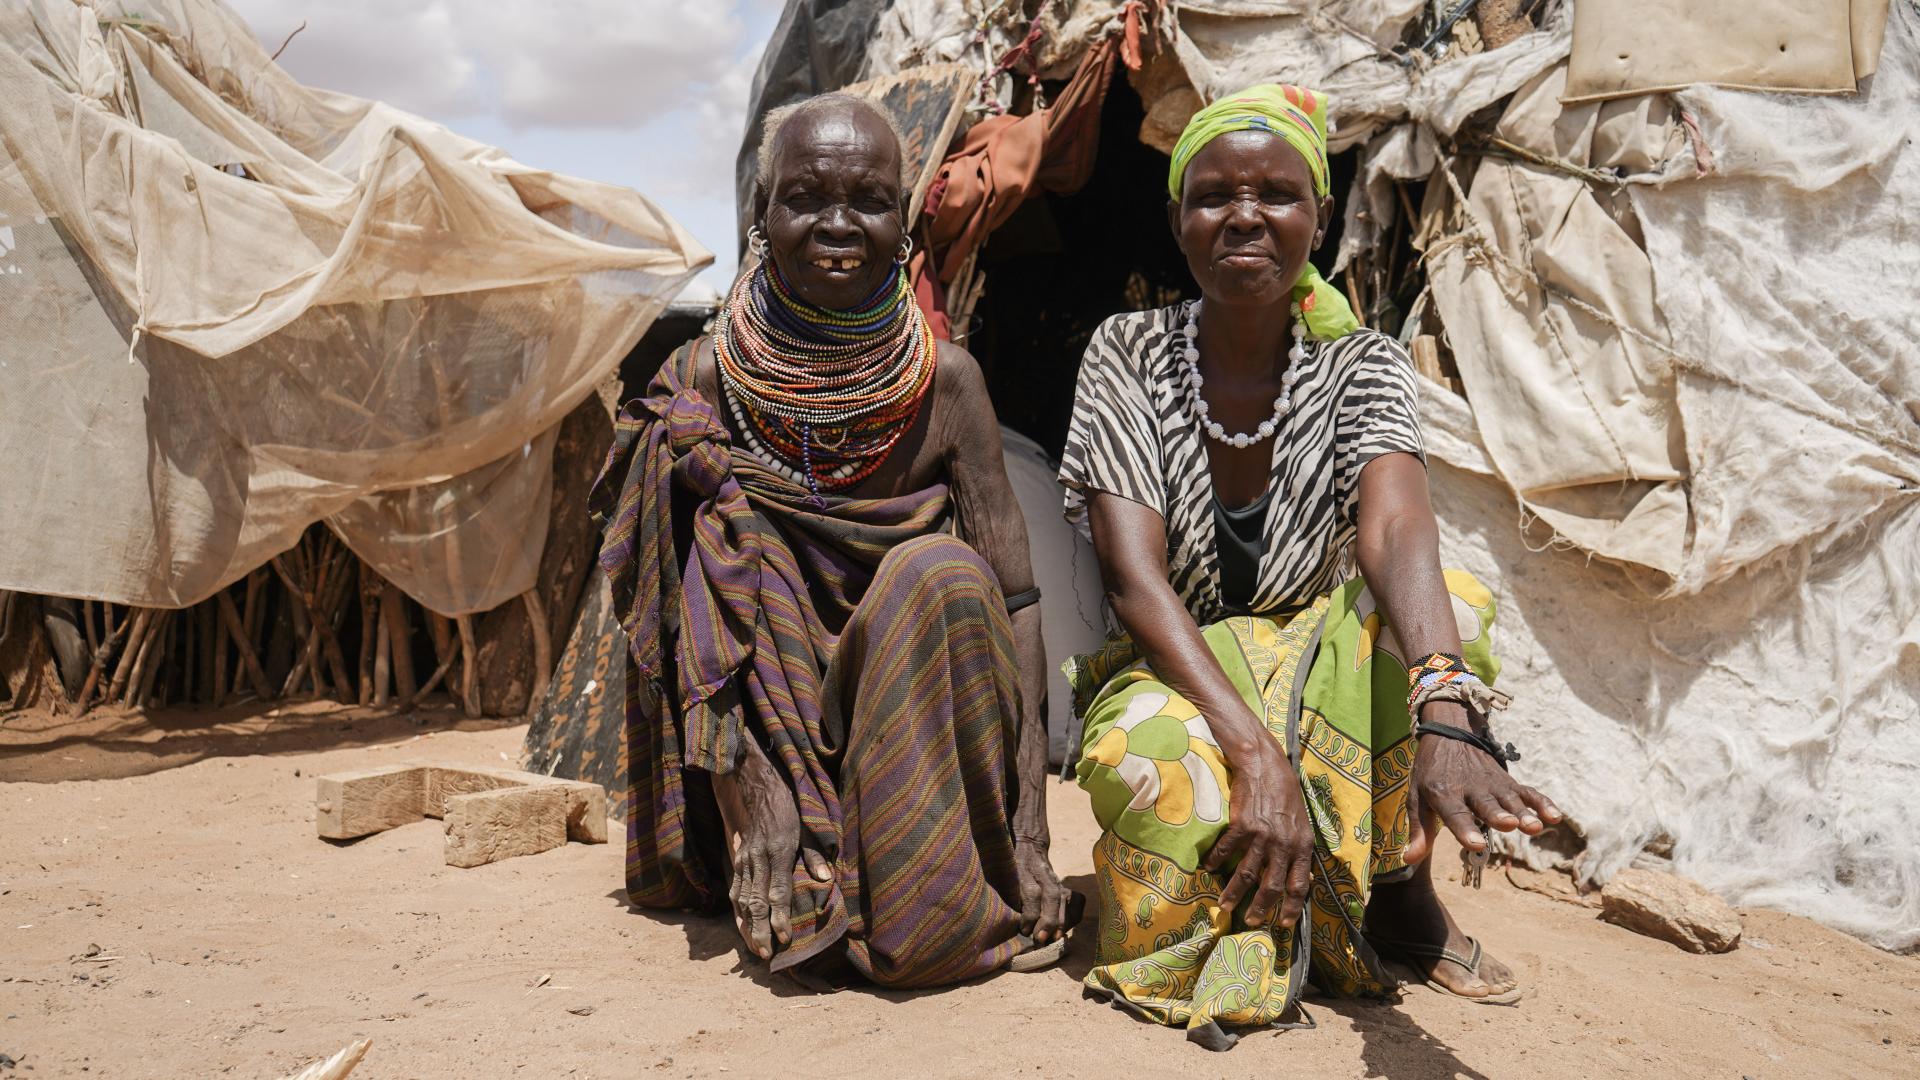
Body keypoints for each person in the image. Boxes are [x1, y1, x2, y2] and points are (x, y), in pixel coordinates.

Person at [1058, 84, 1563, 1049]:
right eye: (1214, 195)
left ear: (1321, 218)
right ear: (1177, 220)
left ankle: (1401, 891)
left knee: (1444, 604)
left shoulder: (1361, 363)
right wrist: (1253, 753)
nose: (1245, 215)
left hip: (1318, 655)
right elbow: (1134, 578)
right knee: (1148, 766)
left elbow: (1398, 531)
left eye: (1278, 194)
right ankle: (1287, 905)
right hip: (1181, 660)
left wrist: (1447, 707)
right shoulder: (1125, 352)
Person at [591, 93, 1073, 989]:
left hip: (917, 714)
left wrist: (1031, 833)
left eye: (869, 199)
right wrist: (754, 796)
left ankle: (910, 875)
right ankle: (796, 844)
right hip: (778, 731)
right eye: (806, 196)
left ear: (903, 218)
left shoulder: (947, 385)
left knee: (939, 575)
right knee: (740, 552)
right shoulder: (704, 380)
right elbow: (684, 621)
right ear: (761, 216)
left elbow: (1017, 602)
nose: (838, 224)